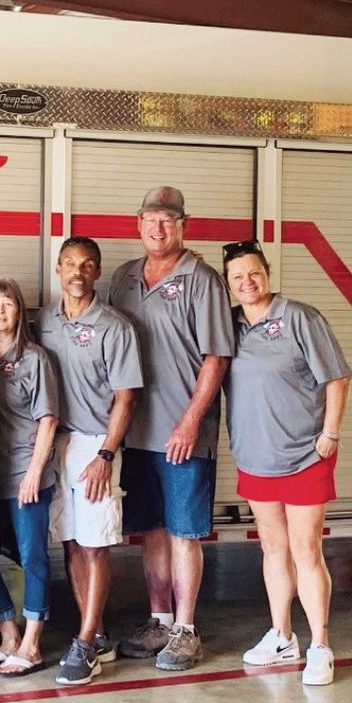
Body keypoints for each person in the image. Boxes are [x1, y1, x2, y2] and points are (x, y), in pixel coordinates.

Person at [107, 186, 234, 671]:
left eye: (168, 220)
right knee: (153, 532)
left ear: (184, 226)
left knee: (184, 532)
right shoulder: (122, 279)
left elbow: (216, 356)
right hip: (137, 432)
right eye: (151, 219)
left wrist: (189, 421)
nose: (159, 228)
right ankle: (158, 620)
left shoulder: (202, 279)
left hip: (184, 433)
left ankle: (185, 630)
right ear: (137, 223)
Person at [221, 240, 350, 686]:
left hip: (303, 456)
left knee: (305, 550)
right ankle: (281, 636)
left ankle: (319, 645)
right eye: (237, 277)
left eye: (253, 273)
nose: (247, 282)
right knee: (272, 549)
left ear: (268, 273)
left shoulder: (299, 317)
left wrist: (329, 434)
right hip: (256, 458)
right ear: (229, 284)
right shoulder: (230, 327)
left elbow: (336, 377)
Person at [38, 238, 143, 685]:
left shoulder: (114, 326)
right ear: (58, 269)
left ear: (97, 273)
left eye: (87, 265)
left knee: (95, 542)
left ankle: (83, 645)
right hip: (55, 442)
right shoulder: (44, 321)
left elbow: (126, 397)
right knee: (70, 542)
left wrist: (106, 454)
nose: (77, 272)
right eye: (69, 264)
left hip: (95, 443)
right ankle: (94, 631)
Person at [0, 278, 60, 679]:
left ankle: (33, 644)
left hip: (27, 475)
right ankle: (8, 635)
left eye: (8, 304)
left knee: (33, 556)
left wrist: (35, 472)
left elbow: (48, 419)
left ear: (19, 312)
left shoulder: (34, 359)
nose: (0, 311)